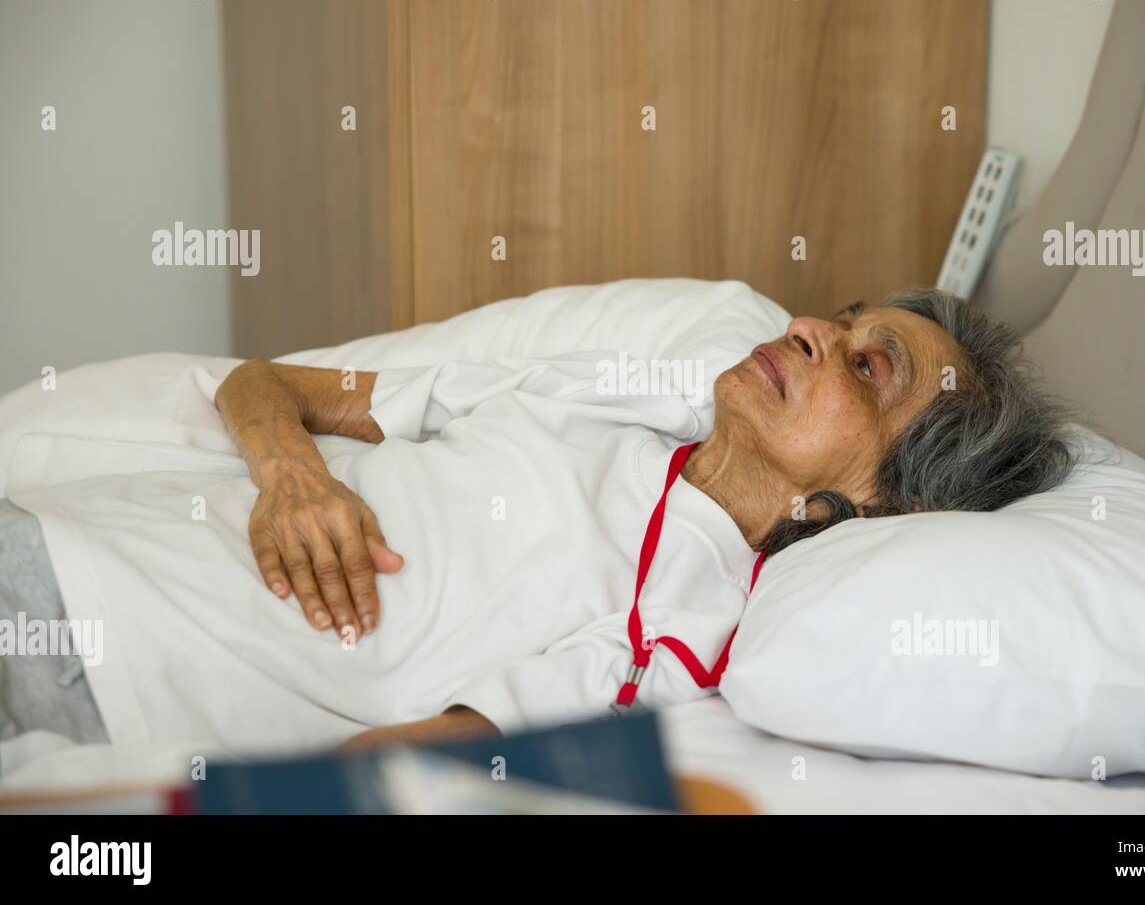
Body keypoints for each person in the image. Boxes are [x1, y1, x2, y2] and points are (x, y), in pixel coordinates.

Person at [0, 288, 1072, 762]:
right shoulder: (611, 401)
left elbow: (406, 762)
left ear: (893, 500)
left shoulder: (680, 626)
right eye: (836, 321)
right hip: (51, 533)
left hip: (102, 669)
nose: (805, 331)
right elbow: (257, 380)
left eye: (863, 362)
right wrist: (293, 477)